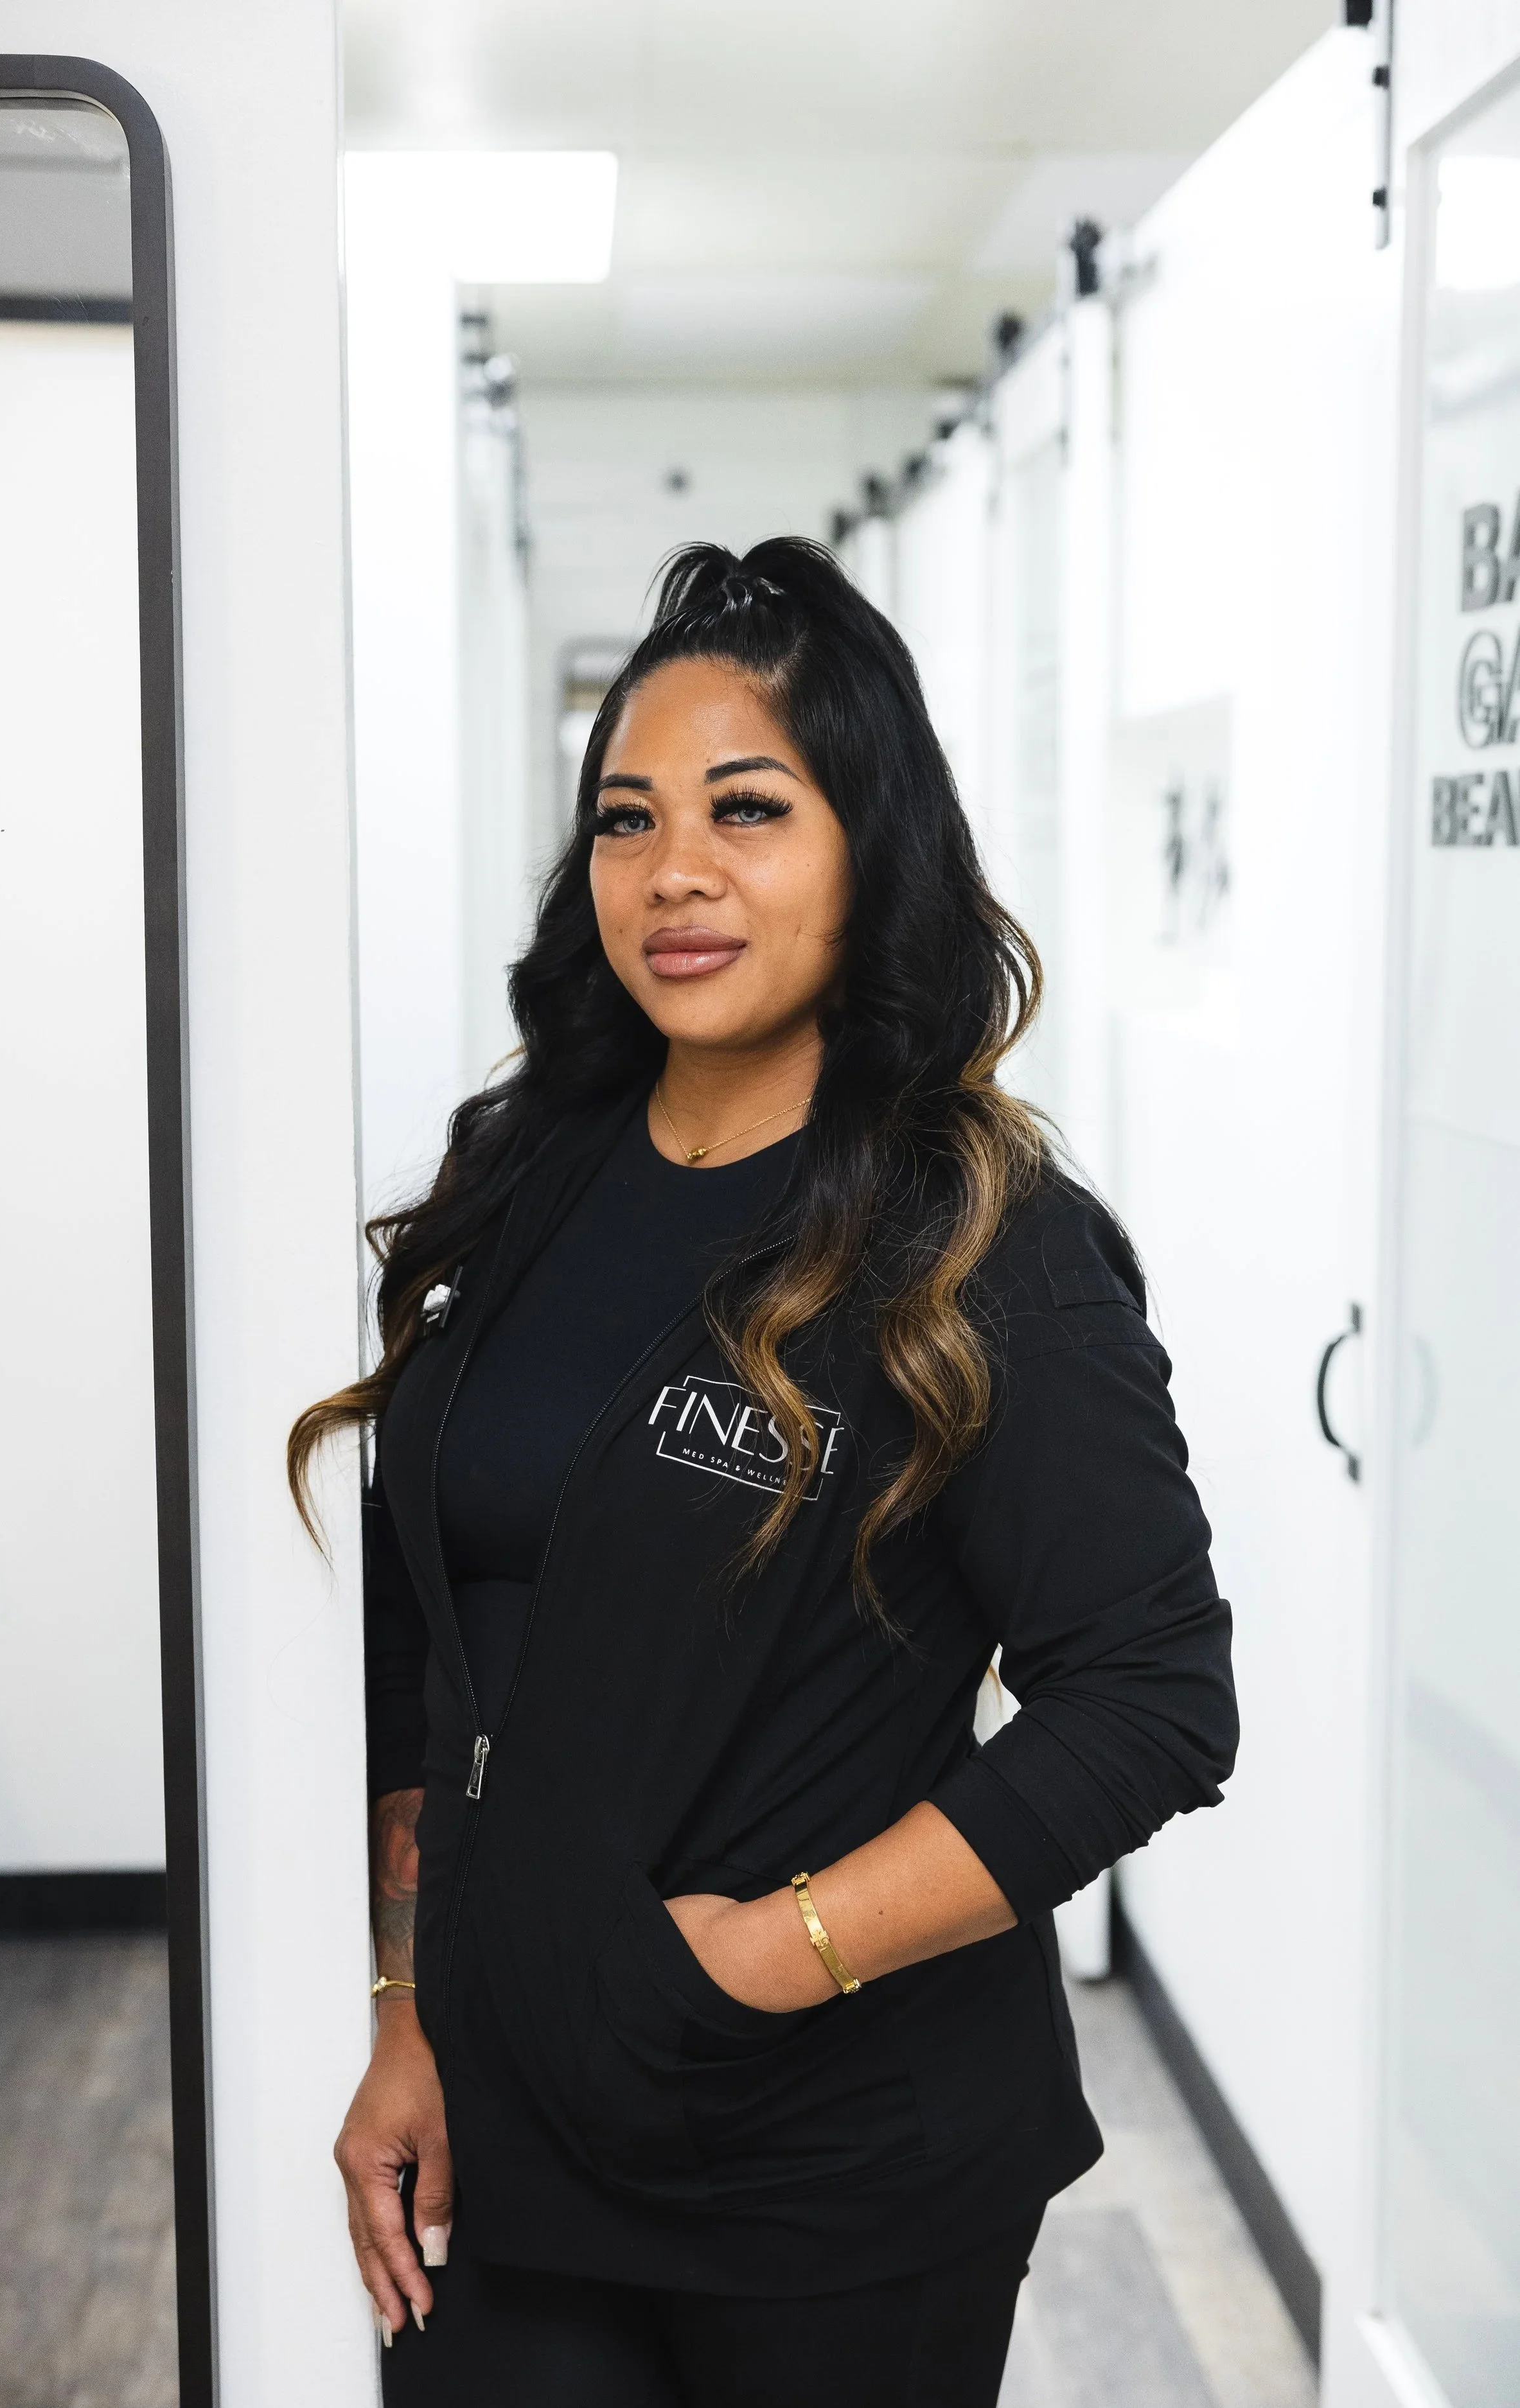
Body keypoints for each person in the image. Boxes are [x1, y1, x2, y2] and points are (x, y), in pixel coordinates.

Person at [290, 538, 1238, 2407]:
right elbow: (438, 1632)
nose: (677, 873)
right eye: (628, 820)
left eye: (748, 808)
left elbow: (1150, 1696)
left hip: (833, 2165)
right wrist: (406, 2012)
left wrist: (776, 1954)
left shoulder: (977, 1238)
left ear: (866, 843)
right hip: (510, 2126)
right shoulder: (531, 1176)